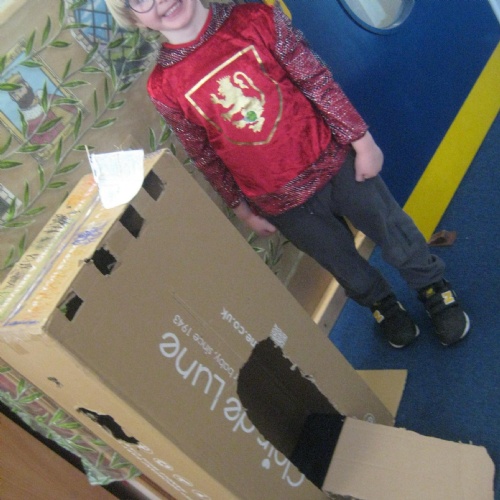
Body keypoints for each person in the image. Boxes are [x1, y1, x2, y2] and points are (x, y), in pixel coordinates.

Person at [104, 0, 470, 348]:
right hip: (281, 203)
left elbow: (316, 80)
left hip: (334, 163)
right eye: (140, 0)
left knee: (392, 229)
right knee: (341, 263)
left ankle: (431, 286)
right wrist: (242, 210)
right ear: (134, 18)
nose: (160, 1)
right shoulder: (163, 86)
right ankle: (383, 304)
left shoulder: (255, 20)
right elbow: (204, 154)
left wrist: (362, 141)